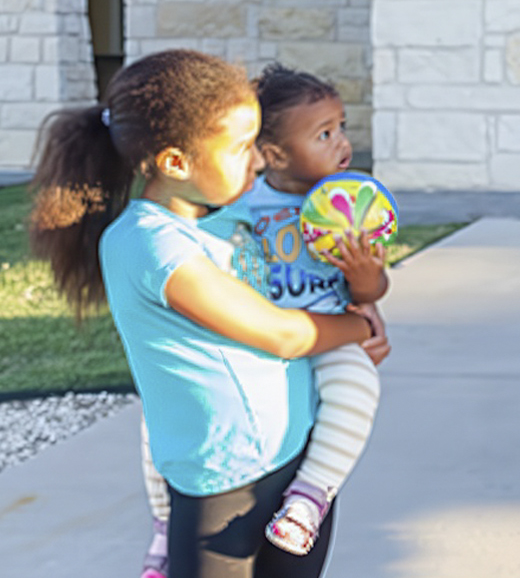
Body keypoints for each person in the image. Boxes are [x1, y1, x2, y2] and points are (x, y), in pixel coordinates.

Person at [28, 49, 388, 578]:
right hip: (222, 484)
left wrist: (360, 292)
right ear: (176, 162)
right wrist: (360, 327)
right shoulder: (149, 245)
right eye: (243, 148)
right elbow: (282, 334)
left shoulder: (228, 215)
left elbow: (304, 288)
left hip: (290, 456)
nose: (260, 160)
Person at [131, 64, 390, 571]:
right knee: (157, 413)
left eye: (341, 128)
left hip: (325, 336)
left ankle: (309, 498)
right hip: (249, 338)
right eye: (324, 134)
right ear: (272, 154)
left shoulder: (355, 203)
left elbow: (373, 292)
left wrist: (365, 278)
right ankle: (164, 528)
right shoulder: (241, 201)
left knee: (358, 386)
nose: (342, 143)